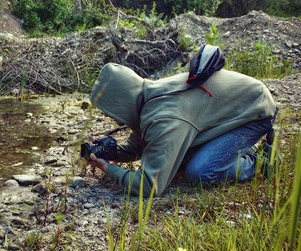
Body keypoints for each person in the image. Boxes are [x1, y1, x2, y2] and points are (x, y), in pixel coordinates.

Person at [86, 62, 277, 197]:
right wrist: (110, 153)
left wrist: (108, 168)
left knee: (199, 172)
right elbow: (139, 146)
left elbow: (150, 187)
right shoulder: (146, 98)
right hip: (231, 109)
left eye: (108, 108)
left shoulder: (164, 117)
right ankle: (230, 150)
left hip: (255, 111)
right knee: (179, 160)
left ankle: (261, 161)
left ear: (121, 101)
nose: (106, 115)